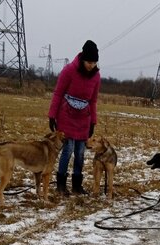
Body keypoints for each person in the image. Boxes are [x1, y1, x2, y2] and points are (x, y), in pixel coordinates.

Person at [48, 40, 101, 196]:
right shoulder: (69, 70)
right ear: (83, 59)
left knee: (80, 153)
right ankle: (61, 185)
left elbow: (93, 100)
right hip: (66, 115)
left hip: (84, 118)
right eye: (89, 61)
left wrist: (93, 121)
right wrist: (52, 115)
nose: (91, 65)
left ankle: (77, 185)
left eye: (94, 62)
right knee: (68, 150)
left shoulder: (96, 77)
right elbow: (58, 93)